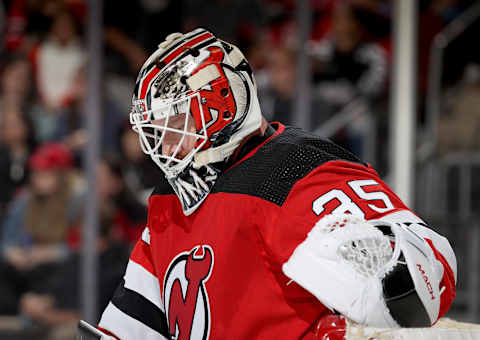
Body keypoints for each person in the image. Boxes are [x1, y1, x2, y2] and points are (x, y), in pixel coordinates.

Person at [85, 28, 456, 340]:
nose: (166, 145)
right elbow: (130, 325)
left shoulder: (296, 171)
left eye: (176, 122)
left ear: (224, 106)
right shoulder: (168, 200)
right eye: (157, 130)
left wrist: (380, 277)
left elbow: (427, 276)